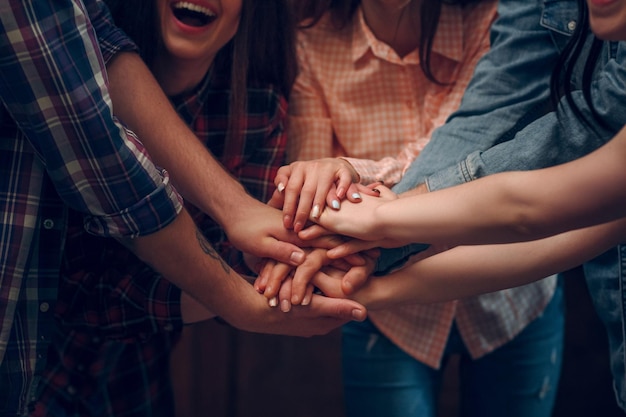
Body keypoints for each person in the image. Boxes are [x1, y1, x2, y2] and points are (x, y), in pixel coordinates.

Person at [0, 1, 365, 415]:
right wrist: (240, 287)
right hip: (32, 367)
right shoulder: (77, 82)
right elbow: (84, 293)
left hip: (136, 380)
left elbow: (255, 267)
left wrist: (294, 265)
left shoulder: (255, 110)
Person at [302, 0, 626, 411]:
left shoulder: (478, 17)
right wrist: (374, 280)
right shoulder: (310, 41)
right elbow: (575, 237)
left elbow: (530, 206)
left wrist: (379, 218)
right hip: (395, 316)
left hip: (513, 312)